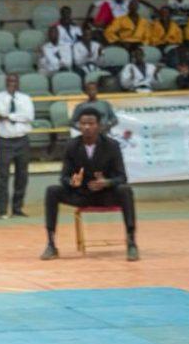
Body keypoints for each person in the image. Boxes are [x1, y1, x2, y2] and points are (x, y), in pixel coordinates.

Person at [42, 108, 139, 262]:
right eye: (83, 123)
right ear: (79, 126)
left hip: (106, 195)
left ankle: (132, 242)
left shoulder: (112, 145)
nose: (87, 127)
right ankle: (51, 244)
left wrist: (106, 182)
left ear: (99, 126)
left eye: (91, 123)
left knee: (125, 191)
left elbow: (122, 177)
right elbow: (64, 177)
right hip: (81, 195)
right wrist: (72, 182)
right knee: (52, 191)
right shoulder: (72, 146)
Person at [0, 74, 34, 219]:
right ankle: (2, 211)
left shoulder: (25, 98)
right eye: (9, 81)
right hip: (5, 140)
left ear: (18, 83)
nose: (12, 83)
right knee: (3, 176)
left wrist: (10, 117)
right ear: (6, 82)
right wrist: (18, 116)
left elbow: (29, 116)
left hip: (22, 139)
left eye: (14, 81)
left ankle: (17, 208)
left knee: (22, 175)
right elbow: (0, 112)